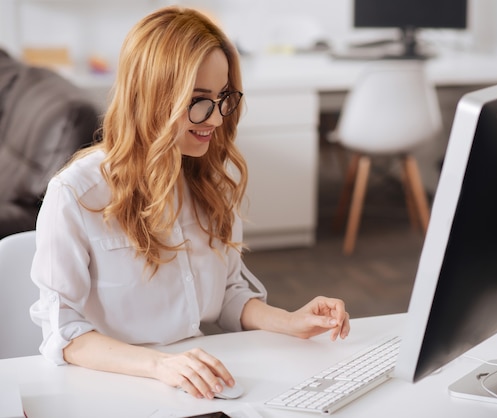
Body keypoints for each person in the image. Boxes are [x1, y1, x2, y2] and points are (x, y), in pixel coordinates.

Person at [29, 6, 350, 401]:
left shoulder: (209, 179)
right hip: (113, 388)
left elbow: (228, 293)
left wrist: (289, 321)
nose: (215, 119)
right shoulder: (77, 195)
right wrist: (160, 365)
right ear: (151, 95)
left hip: (191, 384)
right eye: (199, 100)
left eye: (223, 98)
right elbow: (64, 333)